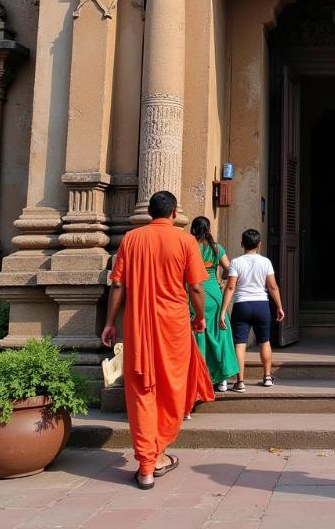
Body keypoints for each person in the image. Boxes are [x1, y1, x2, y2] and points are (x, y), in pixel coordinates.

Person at [101, 191, 215, 490]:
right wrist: (200, 317)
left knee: (141, 390)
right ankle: (156, 454)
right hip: (174, 327)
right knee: (172, 388)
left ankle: (147, 465)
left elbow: (117, 285)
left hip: (138, 327)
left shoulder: (131, 239)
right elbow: (197, 289)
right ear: (174, 213)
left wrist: (110, 322)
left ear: (150, 213)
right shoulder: (185, 241)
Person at [220, 228, 285, 391]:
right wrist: (279, 306)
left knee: (240, 343)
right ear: (259, 244)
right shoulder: (266, 262)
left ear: (242, 244)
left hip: (242, 305)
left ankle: (240, 381)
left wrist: (222, 311)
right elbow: (272, 286)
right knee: (264, 341)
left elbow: (230, 288)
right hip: (261, 304)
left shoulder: (236, 262)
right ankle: (268, 377)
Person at [189, 216, 240, 393]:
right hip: (215, 295)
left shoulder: (190, 246)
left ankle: (201, 377)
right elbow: (228, 267)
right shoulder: (216, 248)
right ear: (209, 228)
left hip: (195, 294)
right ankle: (223, 379)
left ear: (193, 229)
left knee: (199, 337)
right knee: (220, 336)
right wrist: (222, 278)